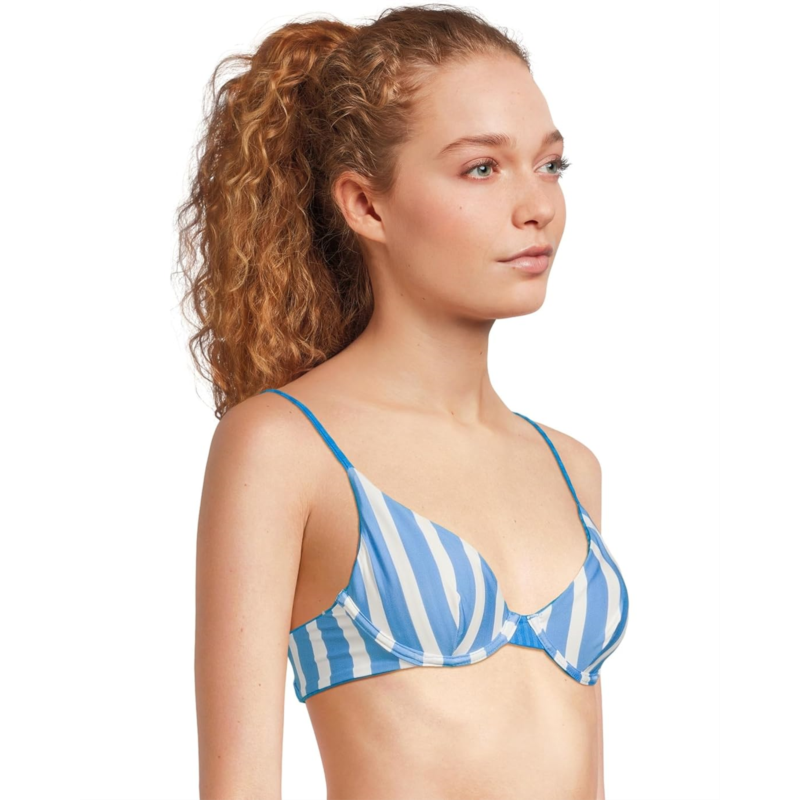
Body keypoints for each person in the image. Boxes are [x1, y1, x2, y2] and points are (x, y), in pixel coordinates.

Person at [176, 5, 630, 798]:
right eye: (482, 168)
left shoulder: (571, 468)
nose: (537, 205)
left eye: (550, 164)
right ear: (367, 205)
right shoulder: (284, 446)